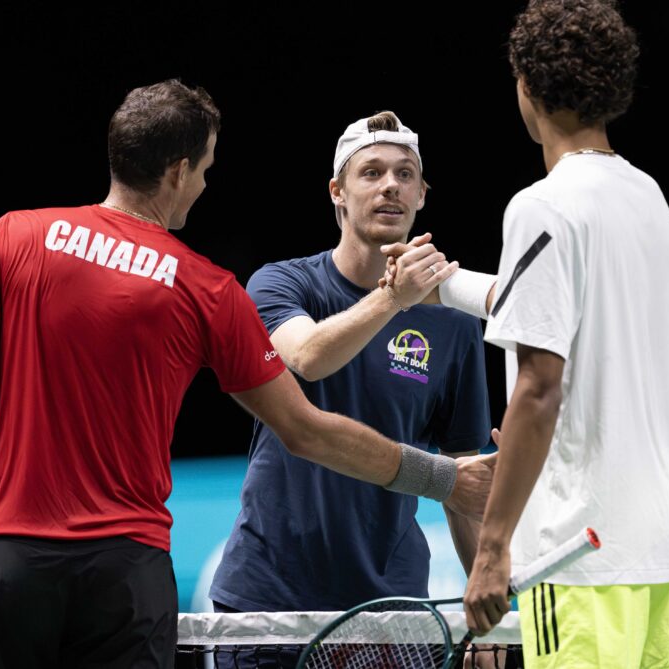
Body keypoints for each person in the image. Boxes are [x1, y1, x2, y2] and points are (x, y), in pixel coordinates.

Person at [0, 79, 495, 669]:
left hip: (9, 560)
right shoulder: (207, 287)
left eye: (404, 175)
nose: (204, 185)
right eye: (205, 169)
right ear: (178, 171)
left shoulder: (12, 236)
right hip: (133, 576)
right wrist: (441, 477)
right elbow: (304, 423)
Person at [385, 2, 669, 666]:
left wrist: (493, 547)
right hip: (658, 550)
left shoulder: (542, 204)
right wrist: (445, 282)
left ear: (528, 86)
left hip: (574, 549)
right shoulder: (649, 202)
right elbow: (565, 310)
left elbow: (540, 386)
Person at [207, 110, 491, 666]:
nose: (391, 185)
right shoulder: (282, 283)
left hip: (393, 610)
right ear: (337, 191)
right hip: (270, 601)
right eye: (372, 172)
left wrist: (486, 615)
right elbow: (309, 357)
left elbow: (464, 478)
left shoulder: (455, 325)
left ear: (423, 195)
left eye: (406, 174)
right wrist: (395, 298)